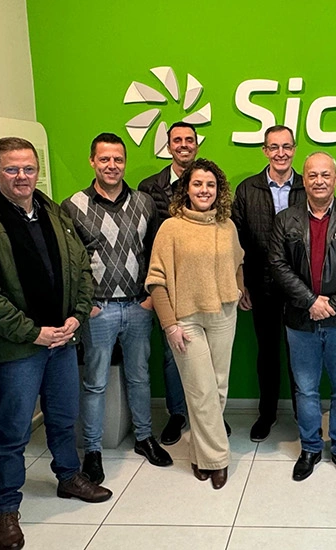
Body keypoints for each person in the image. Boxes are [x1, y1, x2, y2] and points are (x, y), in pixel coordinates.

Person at [0, 137, 112, 550]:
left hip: (62, 339)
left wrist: (77, 315)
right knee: (14, 431)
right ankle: (6, 509)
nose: (21, 176)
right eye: (12, 169)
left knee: (62, 417)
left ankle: (69, 477)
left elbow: (81, 268)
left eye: (28, 168)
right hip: (18, 348)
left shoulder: (54, 214)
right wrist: (33, 332)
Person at [60, 133, 172, 486]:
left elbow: (155, 251)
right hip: (99, 310)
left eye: (118, 159)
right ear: (92, 161)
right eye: (105, 159)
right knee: (95, 383)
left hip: (138, 305)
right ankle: (93, 450)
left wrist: (151, 297)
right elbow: (69, 262)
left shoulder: (144, 202)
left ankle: (144, 437)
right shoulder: (72, 206)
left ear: (125, 162)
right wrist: (85, 305)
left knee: (140, 376)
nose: (112, 166)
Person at [268, 152, 336, 482]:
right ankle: (311, 448)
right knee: (305, 389)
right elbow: (278, 265)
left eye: (325, 175)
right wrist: (311, 301)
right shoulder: (285, 220)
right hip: (300, 320)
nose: (319, 181)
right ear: (304, 180)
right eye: (312, 175)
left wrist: (333, 304)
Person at [146, 158, 249, 490]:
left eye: (210, 185)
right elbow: (156, 280)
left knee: (217, 389)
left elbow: (238, 262)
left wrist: (238, 289)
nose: (204, 190)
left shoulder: (227, 226)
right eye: (198, 184)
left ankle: (198, 453)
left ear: (218, 190)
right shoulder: (171, 228)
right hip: (185, 319)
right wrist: (169, 325)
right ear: (186, 189)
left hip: (223, 315)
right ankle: (217, 460)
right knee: (201, 390)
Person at [232, 125, 306, 441]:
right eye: (274, 147)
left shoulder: (307, 185)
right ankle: (267, 414)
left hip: (302, 289)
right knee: (267, 354)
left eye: (286, 146)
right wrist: (242, 284)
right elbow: (235, 240)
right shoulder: (247, 189)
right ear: (265, 151)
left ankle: (305, 416)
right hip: (261, 287)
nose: (281, 153)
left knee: (301, 355)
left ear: (294, 149)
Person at [136, 121, 196, 444]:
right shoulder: (149, 188)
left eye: (189, 139)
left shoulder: (208, 180)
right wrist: (150, 288)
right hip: (166, 287)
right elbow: (142, 241)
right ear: (169, 146)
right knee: (174, 353)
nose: (183, 145)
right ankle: (178, 414)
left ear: (196, 145)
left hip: (201, 283)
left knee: (206, 353)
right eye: (177, 140)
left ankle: (206, 413)